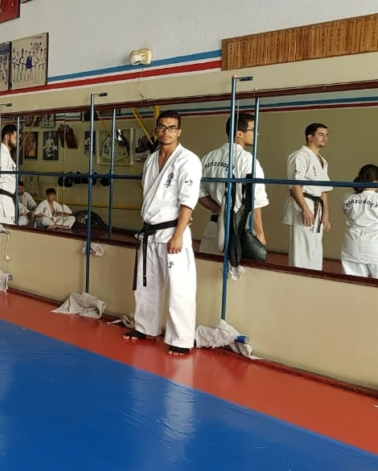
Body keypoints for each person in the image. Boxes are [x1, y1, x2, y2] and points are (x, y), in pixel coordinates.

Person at [123, 111, 202, 357]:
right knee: (146, 284)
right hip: (150, 232)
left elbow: (188, 200)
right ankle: (145, 327)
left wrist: (179, 233)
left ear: (179, 131)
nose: (166, 132)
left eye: (172, 127)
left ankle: (181, 338)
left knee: (179, 287)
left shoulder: (187, 160)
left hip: (172, 232)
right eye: (162, 127)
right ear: (156, 130)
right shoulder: (151, 159)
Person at [198, 112, 268, 256]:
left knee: (208, 267)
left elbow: (199, 194)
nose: (257, 134)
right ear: (239, 134)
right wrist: (260, 233)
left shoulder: (208, 158)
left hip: (213, 227)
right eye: (253, 130)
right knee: (235, 270)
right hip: (238, 230)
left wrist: (220, 210)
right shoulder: (247, 160)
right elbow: (255, 201)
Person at [283, 123, 331, 270]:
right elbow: (295, 185)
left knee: (315, 248)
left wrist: (326, 214)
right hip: (303, 204)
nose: (325, 138)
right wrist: (305, 208)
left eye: (326, 135)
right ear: (310, 136)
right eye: (321, 134)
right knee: (301, 250)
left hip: (317, 207)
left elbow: (324, 189)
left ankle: (314, 277)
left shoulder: (322, 160)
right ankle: (298, 279)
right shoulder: (299, 156)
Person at [341, 164, 378, 278]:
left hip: (352, 247)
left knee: (351, 285)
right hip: (374, 249)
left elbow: (345, 210)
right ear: (376, 181)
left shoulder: (348, 197)